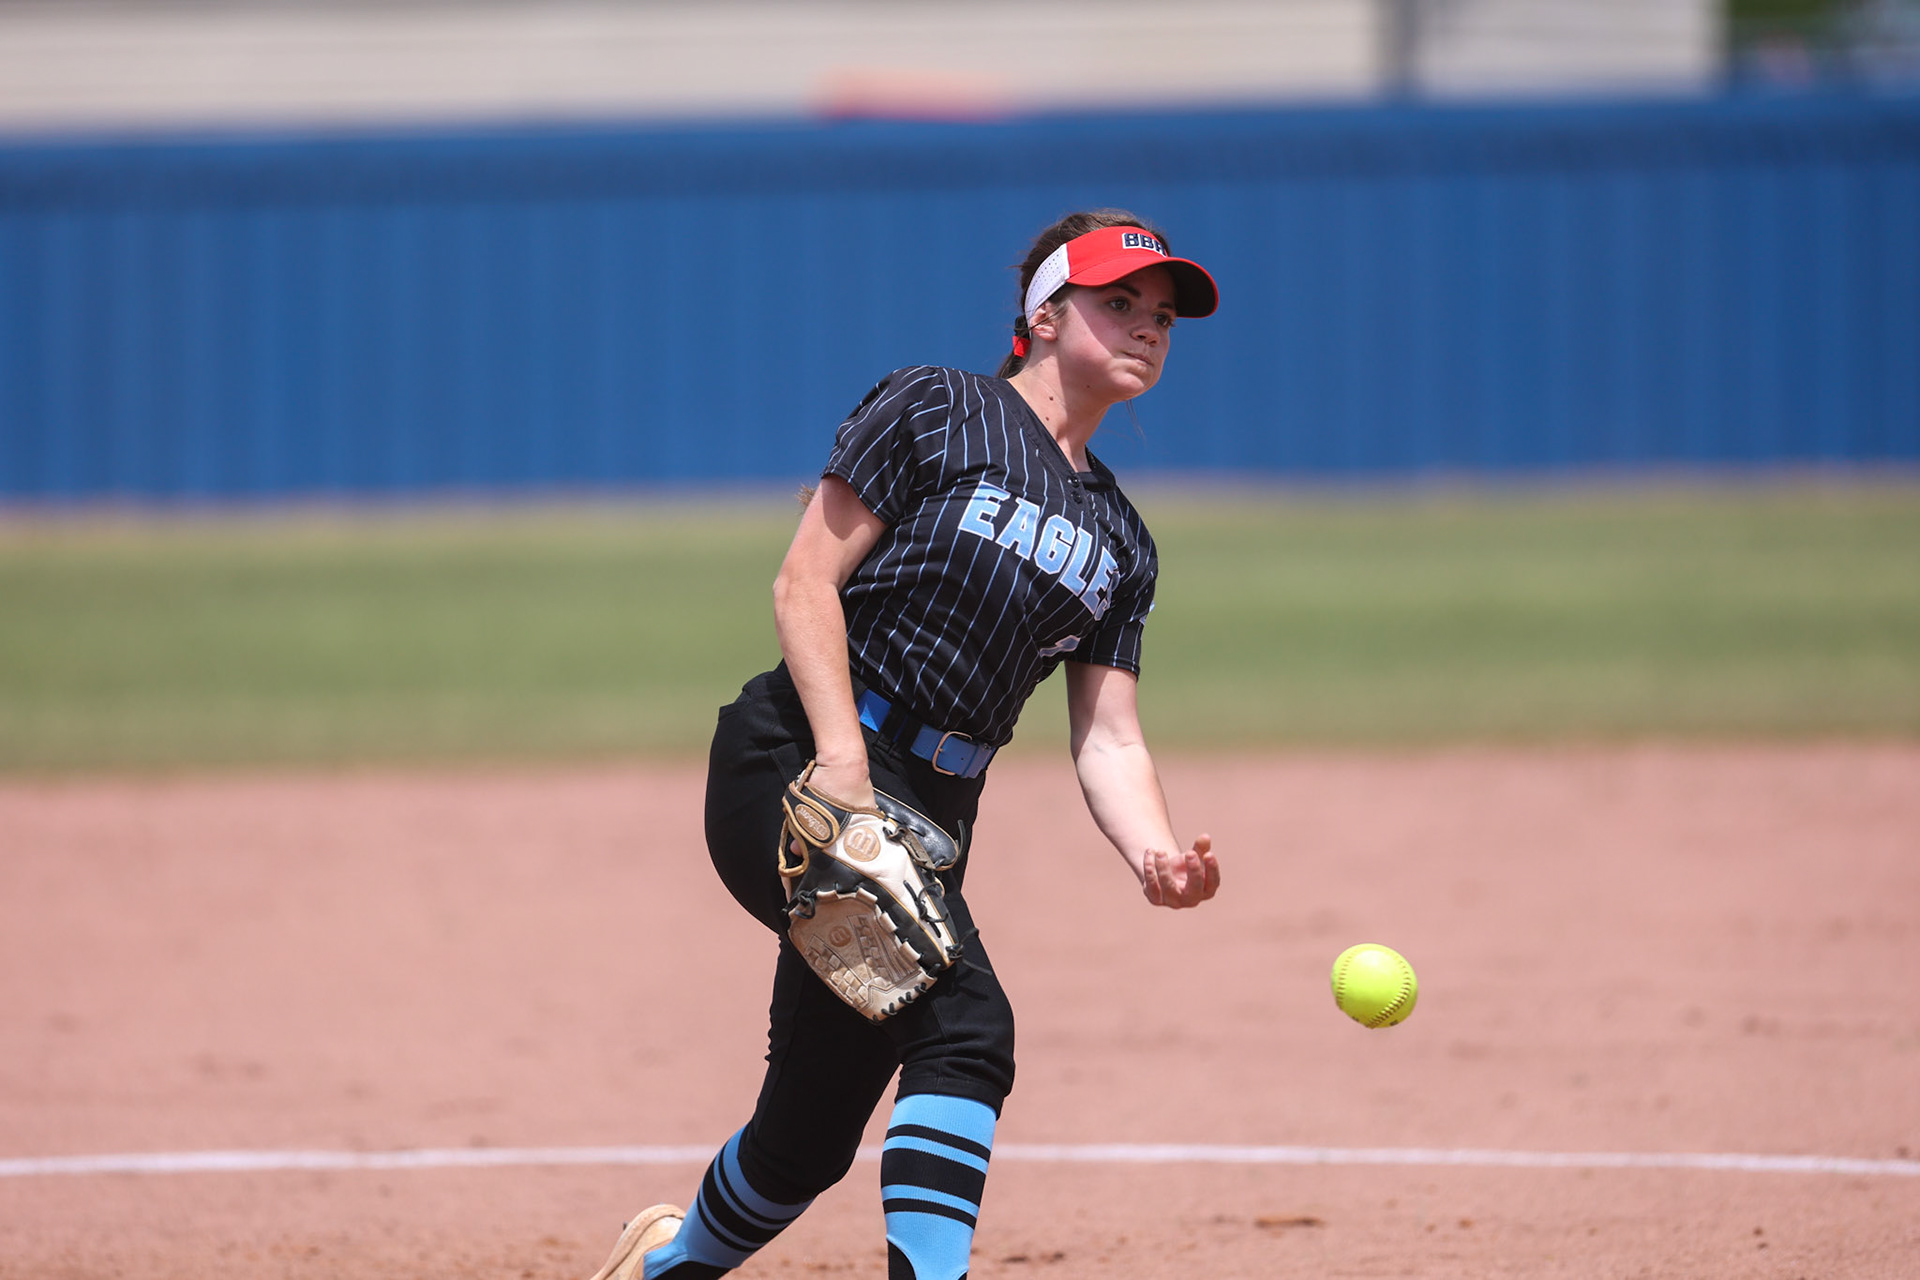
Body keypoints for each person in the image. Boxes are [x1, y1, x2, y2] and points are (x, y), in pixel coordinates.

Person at [586, 209, 1223, 1280]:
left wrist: (1154, 851)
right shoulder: (940, 406)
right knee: (967, 1029)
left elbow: (1108, 733)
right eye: (1120, 302)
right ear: (1045, 312)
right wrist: (838, 761)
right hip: (801, 761)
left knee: (807, 1137)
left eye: (1162, 315)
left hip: (931, 819)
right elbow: (803, 581)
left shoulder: (1122, 538)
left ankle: (663, 1267)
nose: (1148, 327)